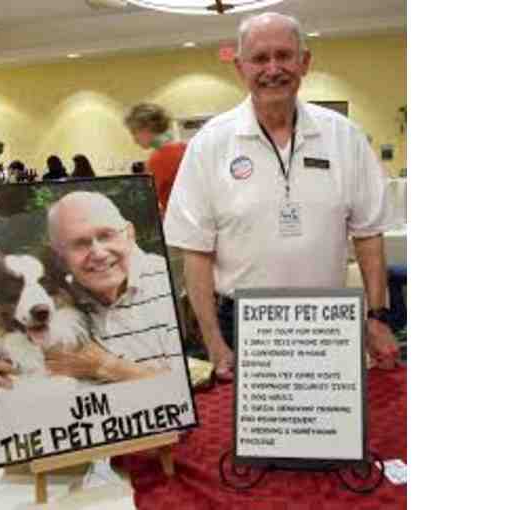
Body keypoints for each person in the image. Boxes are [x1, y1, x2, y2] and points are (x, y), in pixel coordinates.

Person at [163, 12, 399, 381]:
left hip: (327, 322)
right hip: (243, 325)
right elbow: (196, 252)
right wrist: (213, 341)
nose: (273, 69)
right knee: (248, 421)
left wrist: (377, 317)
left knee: (329, 418)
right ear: (240, 67)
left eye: (284, 55)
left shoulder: (345, 137)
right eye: (259, 58)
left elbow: (369, 235)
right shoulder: (209, 144)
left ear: (304, 61)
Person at [0, 191, 184, 394]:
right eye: (80, 244)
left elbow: (186, 387)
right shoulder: (65, 292)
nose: (99, 253)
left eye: (106, 235)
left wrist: (104, 366)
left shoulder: (168, 281)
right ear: (60, 255)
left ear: (130, 234)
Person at [124, 103, 186, 218]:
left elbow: (149, 203)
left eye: (134, 132)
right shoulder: (185, 148)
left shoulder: (159, 158)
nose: (134, 140)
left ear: (146, 128)